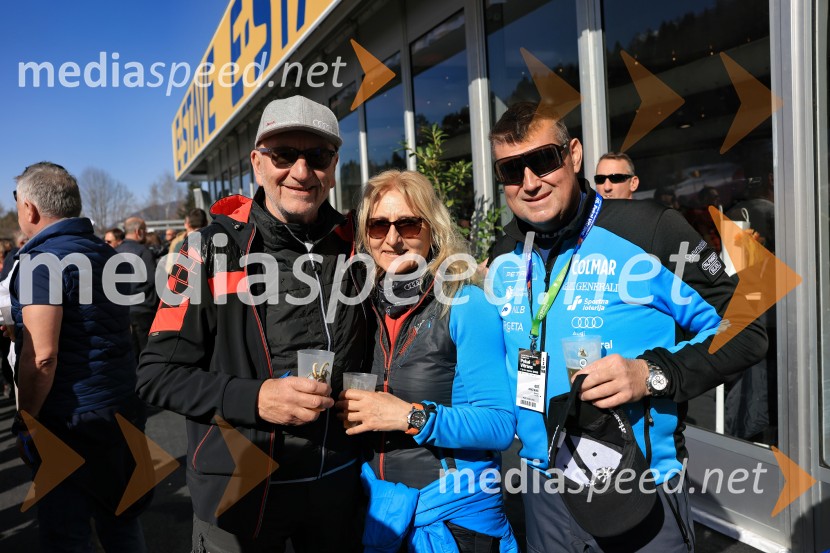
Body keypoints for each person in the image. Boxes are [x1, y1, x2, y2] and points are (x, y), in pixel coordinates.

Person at [487, 102, 767, 552]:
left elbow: (747, 328)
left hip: (638, 488)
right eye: (511, 170)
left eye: (543, 161)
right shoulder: (503, 252)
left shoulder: (651, 230)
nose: (530, 182)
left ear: (574, 155)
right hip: (543, 492)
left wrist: (651, 374)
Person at [136, 95, 369, 552]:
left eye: (318, 156)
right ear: (257, 163)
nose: (301, 172)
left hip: (337, 490)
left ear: (334, 164)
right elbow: (155, 375)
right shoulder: (202, 250)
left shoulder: (357, 246)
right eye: (284, 155)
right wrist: (256, 398)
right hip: (240, 496)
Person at [335, 170, 518, 552]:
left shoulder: (467, 304)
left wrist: (408, 416)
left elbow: (500, 425)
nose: (392, 238)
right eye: (378, 225)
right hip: (382, 515)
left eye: (408, 223)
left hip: (455, 522)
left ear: (432, 228)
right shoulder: (363, 309)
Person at [10, 162, 149, 552]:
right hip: (120, 405)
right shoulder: (106, 254)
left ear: (31, 209)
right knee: (121, 521)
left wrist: (26, 421)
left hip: (70, 420)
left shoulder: (41, 262)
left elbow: (42, 357)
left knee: (66, 532)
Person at [115, 217, 159, 363]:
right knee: (147, 354)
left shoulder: (115, 252)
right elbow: (153, 280)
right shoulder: (143, 252)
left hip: (121, 310)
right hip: (143, 309)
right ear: (138, 232)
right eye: (145, 232)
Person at [165, 208, 208, 273]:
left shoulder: (178, 243)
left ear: (187, 224)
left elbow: (170, 269)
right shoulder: (213, 241)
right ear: (206, 223)